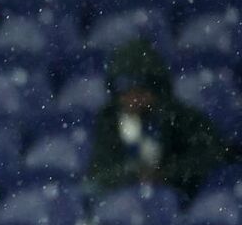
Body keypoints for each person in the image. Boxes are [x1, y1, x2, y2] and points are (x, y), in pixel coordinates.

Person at [87, 38, 226, 198]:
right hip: (126, 200)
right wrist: (132, 176)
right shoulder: (109, 120)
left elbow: (209, 159)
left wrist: (166, 174)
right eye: (124, 89)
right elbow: (100, 170)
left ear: (156, 89)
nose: (133, 98)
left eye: (140, 89)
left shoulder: (183, 119)